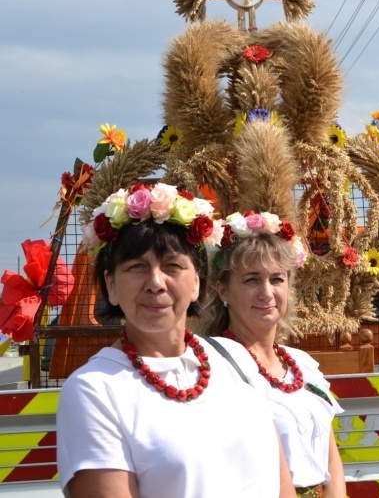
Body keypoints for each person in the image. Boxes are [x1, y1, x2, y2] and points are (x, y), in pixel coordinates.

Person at [56, 182, 295, 498]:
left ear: (197, 282)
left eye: (172, 266)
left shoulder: (235, 359)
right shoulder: (96, 390)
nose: (156, 282)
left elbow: (281, 485)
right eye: (137, 267)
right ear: (110, 286)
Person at [202, 210, 346, 498]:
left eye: (277, 279)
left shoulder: (302, 364)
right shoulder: (212, 366)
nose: (267, 292)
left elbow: (331, 458)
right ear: (223, 291)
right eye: (252, 280)